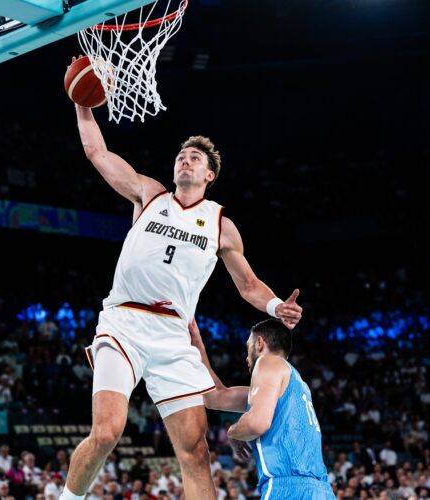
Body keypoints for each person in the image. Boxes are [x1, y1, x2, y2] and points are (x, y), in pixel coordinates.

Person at [60, 96, 303, 500]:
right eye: (181, 157)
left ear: (209, 174)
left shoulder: (221, 225)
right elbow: (97, 152)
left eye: (194, 158)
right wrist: (82, 105)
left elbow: (247, 284)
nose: (185, 161)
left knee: (196, 452)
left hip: (174, 337)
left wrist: (277, 306)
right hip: (124, 323)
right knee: (107, 432)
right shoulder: (149, 195)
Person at [190, 317, 335, 499]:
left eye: (247, 347)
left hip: (289, 488)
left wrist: (233, 433)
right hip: (322, 491)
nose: (246, 357)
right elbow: (215, 398)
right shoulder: (295, 384)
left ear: (259, 343)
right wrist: (197, 347)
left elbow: (256, 424)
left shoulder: (267, 361)